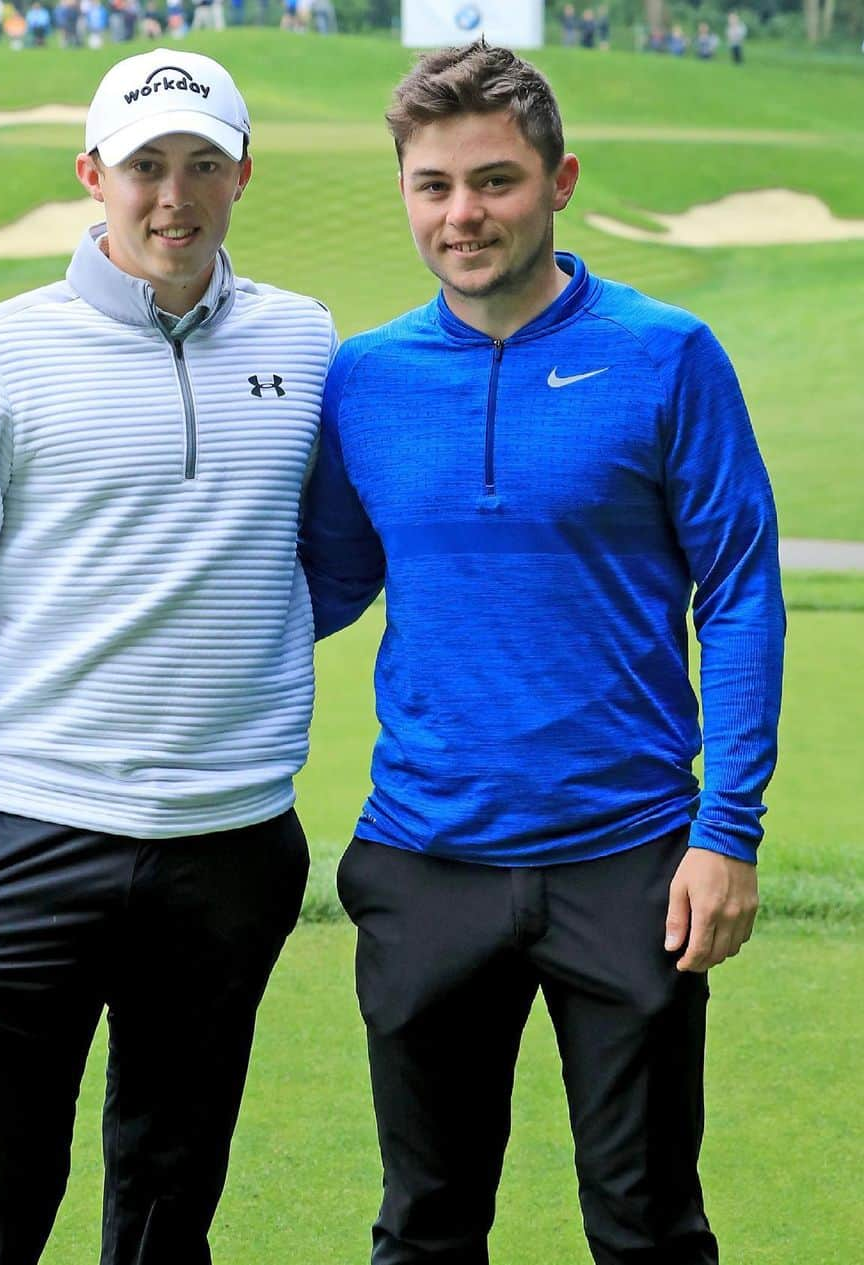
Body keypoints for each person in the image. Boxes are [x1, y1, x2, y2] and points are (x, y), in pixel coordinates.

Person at [300, 40, 784, 1265]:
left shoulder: (668, 354)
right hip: (424, 857)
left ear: (560, 179)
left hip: (631, 862)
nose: (463, 214)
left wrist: (726, 828)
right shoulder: (364, 378)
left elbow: (737, 590)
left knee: (646, 1224)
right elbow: (321, 586)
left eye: (496, 180)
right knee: (423, 1225)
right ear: (405, 192)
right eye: (433, 185)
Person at [0, 48, 336, 1265]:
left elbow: (320, 552)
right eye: (144, 166)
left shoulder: (307, 337)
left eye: (200, 164)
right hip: (29, 832)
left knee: (165, 1212)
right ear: (95, 175)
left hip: (231, 844)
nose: (172, 196)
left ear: (243, 173)